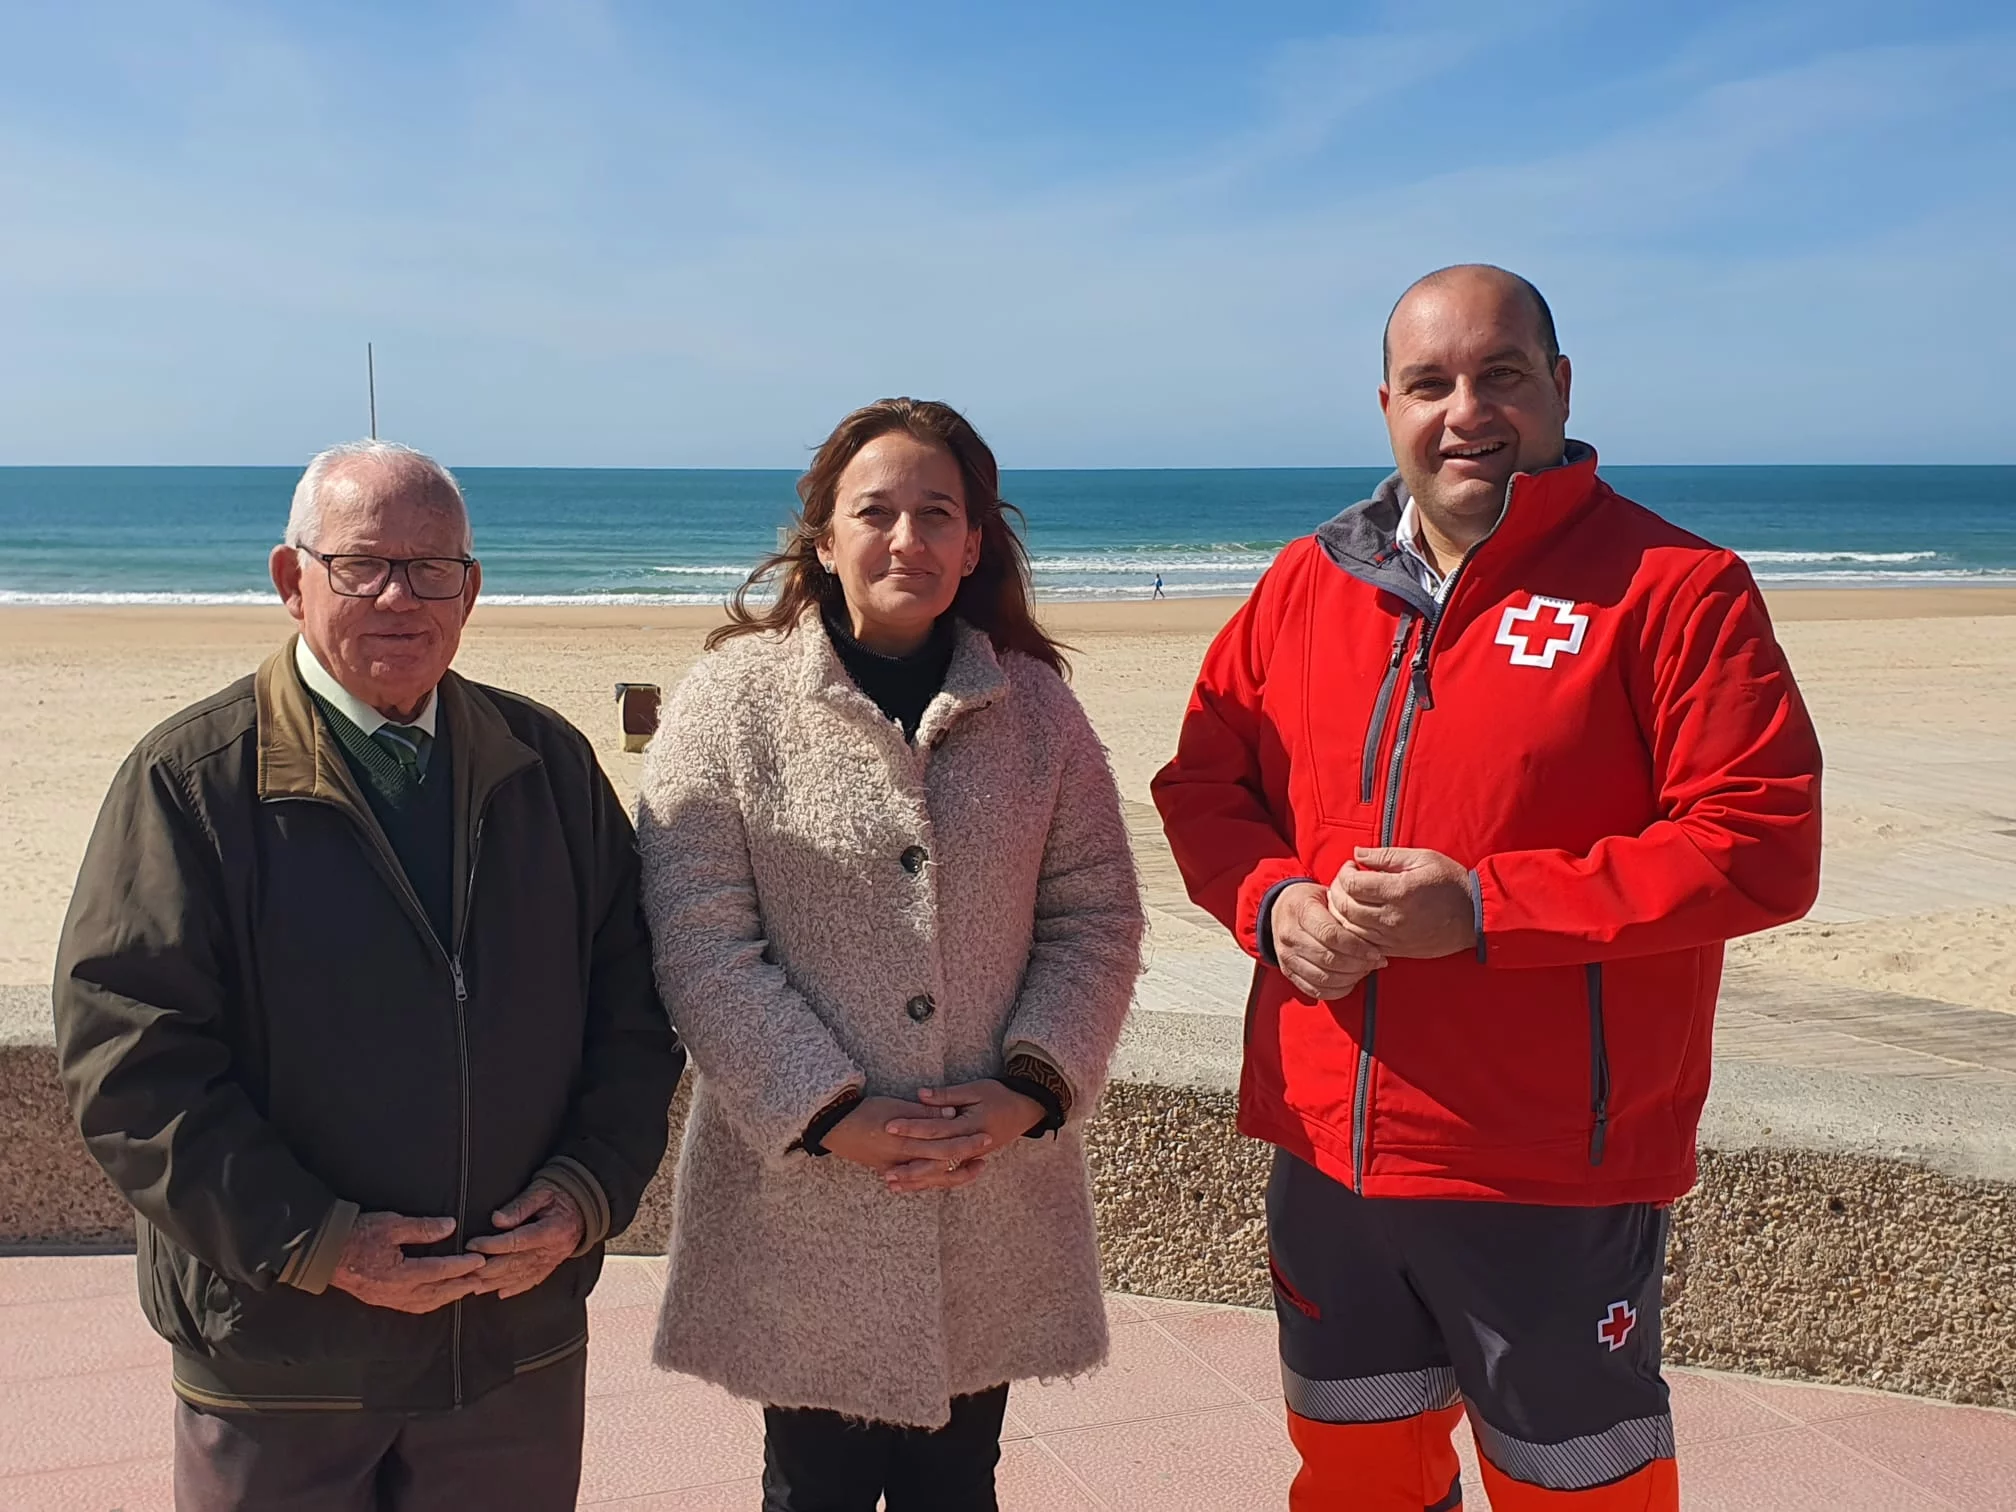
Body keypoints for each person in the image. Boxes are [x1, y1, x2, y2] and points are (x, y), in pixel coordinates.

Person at [1152, 266, 1822, 1511]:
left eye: (1500, 375)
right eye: (1430, 384)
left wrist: (1484, 913)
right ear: (1387, 408)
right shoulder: (1308, 581)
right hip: (1330, 1148)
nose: (1465, 411)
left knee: (1578, 1488)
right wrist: (1275, 906)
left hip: (1547, 1169)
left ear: (1560, 387)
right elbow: (1203, 783)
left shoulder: (1675, 588)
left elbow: (1760, 841)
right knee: (1355, 1476)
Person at [52, 440, 683, 1511]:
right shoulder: (190, 782)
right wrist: (317, 1242)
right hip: (282, 1357)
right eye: (362, 565)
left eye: (432, 568)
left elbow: (635, 1010)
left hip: (510, 1351)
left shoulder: (548, 768)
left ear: (470, 591)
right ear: (291, 579)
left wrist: (587, 1192)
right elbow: (129, 1060)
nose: (400, 596)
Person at [637, 397, 1143, 1511]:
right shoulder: (731, 703)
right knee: (808, 1487)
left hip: (990, 1183)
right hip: (803, 1199)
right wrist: (826, 1110)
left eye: (937, 513)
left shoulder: (1038, 711)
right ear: (824, 539)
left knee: (960, 1483)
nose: (906, 537)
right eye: (875, 511)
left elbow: (1096, 916)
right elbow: (700, 936)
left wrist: (1030, 1089)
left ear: (973, 546)